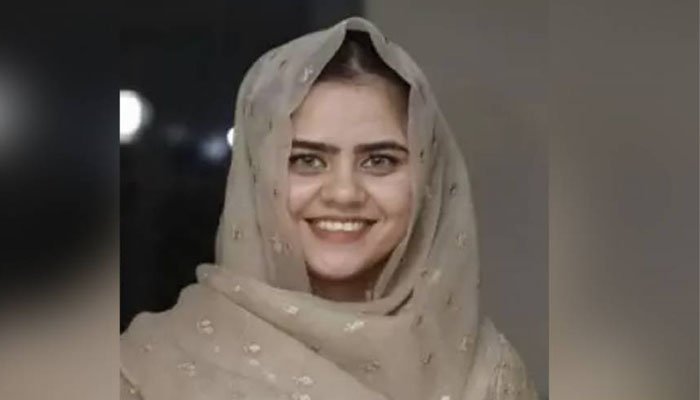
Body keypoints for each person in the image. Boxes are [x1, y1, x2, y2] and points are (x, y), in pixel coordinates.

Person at [121, 17, 538, 400]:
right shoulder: (149, 369)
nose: (343, 193)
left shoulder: (487, 375)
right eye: (307, 160)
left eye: (379, 160)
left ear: (427, 178)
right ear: (257, 175)